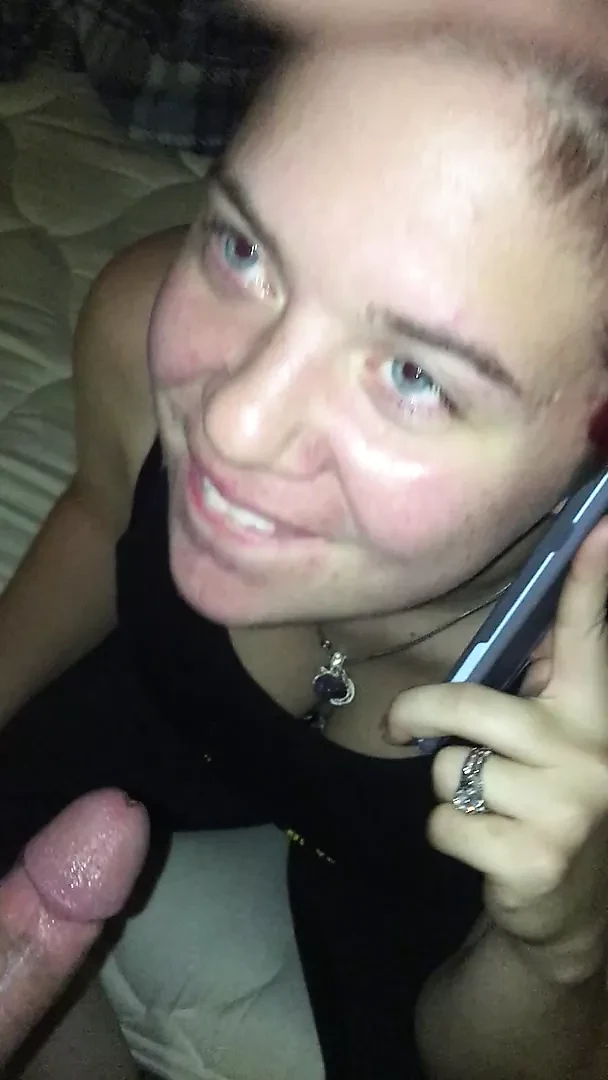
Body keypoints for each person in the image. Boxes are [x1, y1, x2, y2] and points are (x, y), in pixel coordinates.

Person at [4, 17, 608, 1080]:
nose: (232, 421)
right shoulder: (139, 315)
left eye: (414, 375)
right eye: (243, 251)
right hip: (164, 697)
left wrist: (558, 950)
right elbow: (104, 513)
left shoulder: (580, 723)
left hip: (399, 864)